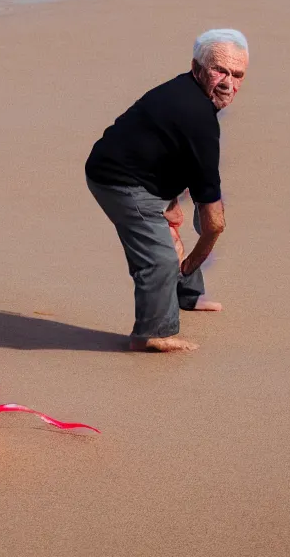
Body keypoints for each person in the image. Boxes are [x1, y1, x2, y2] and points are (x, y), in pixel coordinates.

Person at [85, 29, 249, 352]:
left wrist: (178, 209)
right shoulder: (197, 116)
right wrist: (192, 255)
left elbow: (189, 163)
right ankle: (151, 333)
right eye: (220, 70)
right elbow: (215, 221)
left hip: (150, 170)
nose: (229, 82)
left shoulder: (194, 96)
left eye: (238, 74)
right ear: (197, 67)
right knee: (159, 256)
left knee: (188, 225)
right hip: (116, 177)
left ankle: (186, 295)